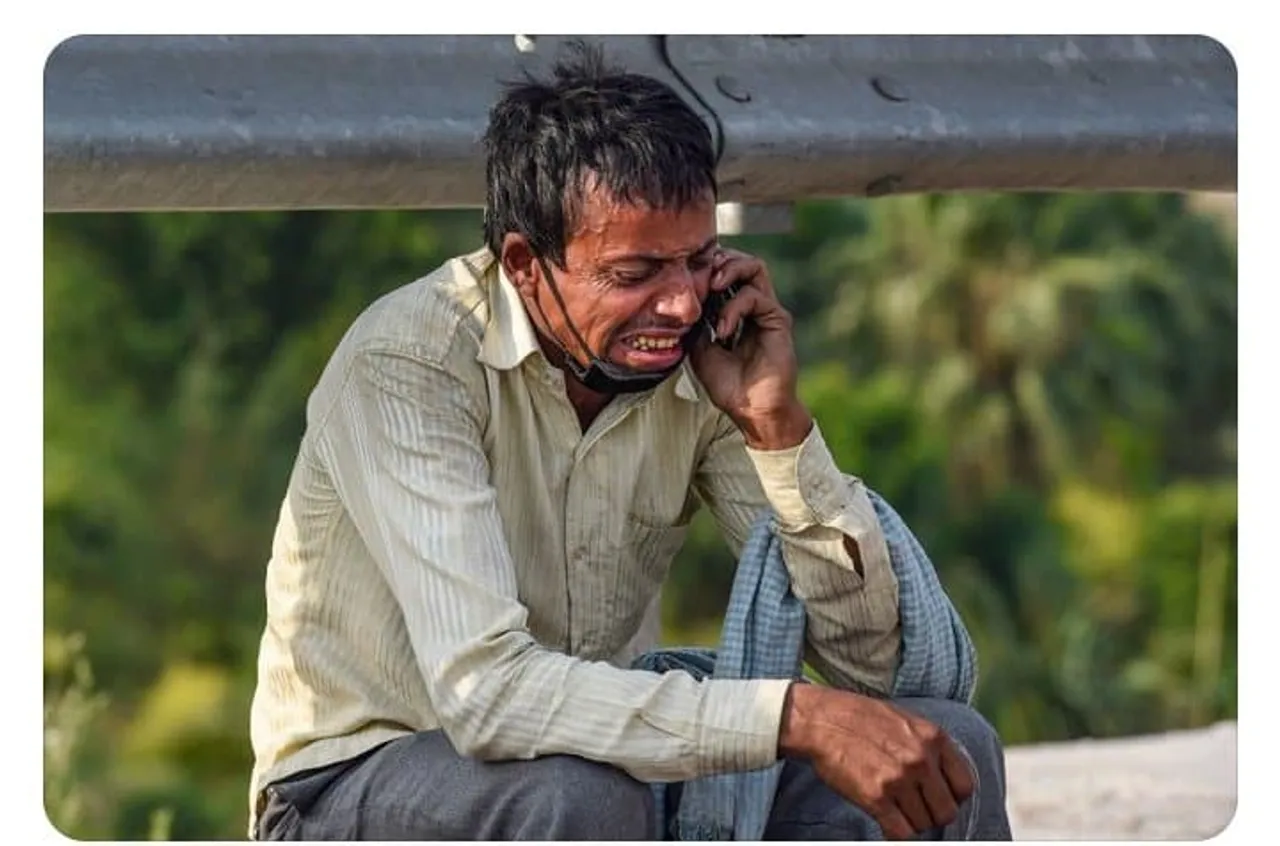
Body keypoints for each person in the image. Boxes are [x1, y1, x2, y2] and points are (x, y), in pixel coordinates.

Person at [248, 42, 1012, 841]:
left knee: (945, 751)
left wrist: (775, 429)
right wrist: (794, 714)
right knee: (578, 799)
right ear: (524, 264)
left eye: (697, 261)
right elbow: (486, 697)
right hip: (350, 787)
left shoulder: (702, 360)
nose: (681, 305)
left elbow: (879, 675)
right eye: (637, 272)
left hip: (597, 767)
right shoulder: (409, 364)